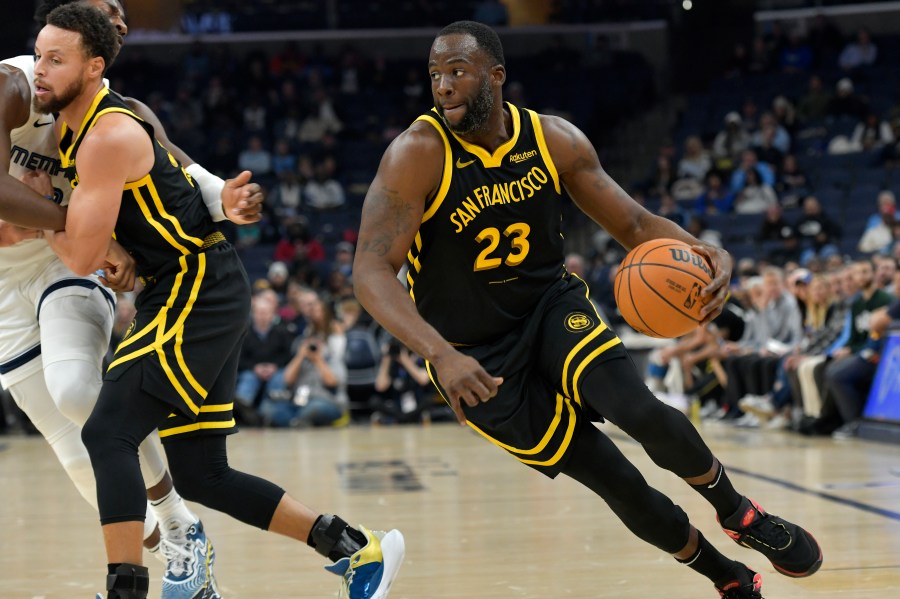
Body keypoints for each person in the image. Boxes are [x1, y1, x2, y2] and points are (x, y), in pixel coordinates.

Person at [353, 21, 821, 599]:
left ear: (496, 77)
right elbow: (370, 270)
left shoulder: (553, 139)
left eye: (457, 72)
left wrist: (703, 250)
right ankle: (721, 575)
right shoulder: (415, 154)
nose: (442, 86)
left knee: (638, 408)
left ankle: (740, 514)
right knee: (615, 479)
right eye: (434, 75)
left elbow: (635, 225)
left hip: (549, 308)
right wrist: (439, 355)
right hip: (474, 356)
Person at [7, 6, 403, 598]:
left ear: (93, 68)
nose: (41, 70)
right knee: (202, 472)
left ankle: (126, 589)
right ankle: (358, 550)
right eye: (39, 56)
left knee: (107, 432)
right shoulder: (69, 122)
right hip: (191, 287)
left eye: (55, 60)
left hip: (196, 287)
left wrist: (37, 223)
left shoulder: (108, 132)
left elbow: (85, 257)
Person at [0, 0, 262, 595]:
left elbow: (180, 171)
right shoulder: (15, 86)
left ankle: (176, 530)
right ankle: (175, 542)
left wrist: (227, 199)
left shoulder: (115, 110)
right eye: (106, 8)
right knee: (73, 452)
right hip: (11, 282)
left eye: (121, 14)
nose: (120, 19)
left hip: (61, 262)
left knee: (78, 393)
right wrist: (65, 220)